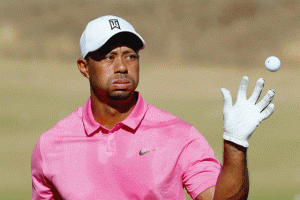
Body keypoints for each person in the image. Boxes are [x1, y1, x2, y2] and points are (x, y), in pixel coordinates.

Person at [31, 15, 275, 200]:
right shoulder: (51, 144)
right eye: (109, 57)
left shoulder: (179, 134)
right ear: (84, 67)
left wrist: (235, 145)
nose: (122, 67)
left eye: (130, 56)